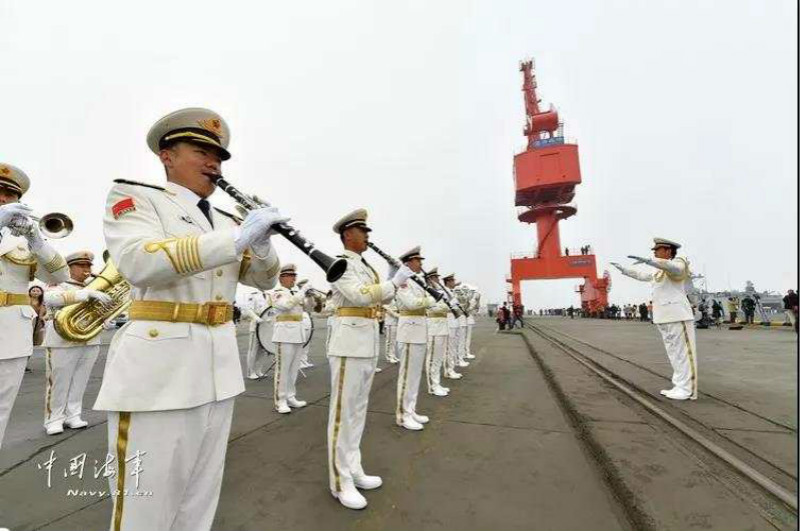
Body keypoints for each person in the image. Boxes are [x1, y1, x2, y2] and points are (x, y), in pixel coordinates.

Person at [93, 108, 284, 531]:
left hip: (217, 369)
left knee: (198, 503)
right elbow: (138, 262)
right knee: (144, 511)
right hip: (157, 373)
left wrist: (265, 242)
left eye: (218, 155)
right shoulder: (136, 197)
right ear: (167, 155)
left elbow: (263, 277)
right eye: (201, 150)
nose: (214, 162)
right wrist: (236, 239)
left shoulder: (226, 219)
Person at [326, 208, 412, 510]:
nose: (367, 236)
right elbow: (361, 296)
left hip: (364, 342)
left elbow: (380, 297)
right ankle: (340, 481)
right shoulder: (341, 264)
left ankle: (353, 467)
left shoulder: (365, 265)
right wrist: (393, 282)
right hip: (349, 344)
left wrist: (391, 281)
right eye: (363, 231)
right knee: (342, 415)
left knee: (358, 413)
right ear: (348, 234)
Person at [0, 163, 70, 449]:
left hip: (11, 336)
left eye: (8, 194)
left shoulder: (22, 239)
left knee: (1, 410)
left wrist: (36, 240)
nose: (3, 199)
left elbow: (60, 275)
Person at [612, 237, 698, 400]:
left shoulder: (680, 262)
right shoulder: (658, 271)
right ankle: (679, 385)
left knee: (684, 353)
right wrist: (624, 270)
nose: (654, 252)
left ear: (668, 251)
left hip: (677, 315)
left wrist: (651, 261)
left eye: (657, 250)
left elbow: (676, 269)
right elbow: (642, 275)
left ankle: (688, 390)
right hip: (663, 316)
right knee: (674, 353)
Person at [42, 251, 112, 435]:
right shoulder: (59, 283)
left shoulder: (93, 286)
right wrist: (85, 294)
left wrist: (105, 318)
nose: (86, 269)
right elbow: (49, 298)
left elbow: (98, 311)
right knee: (58, 382)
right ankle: (54, 418)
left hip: (90, 339)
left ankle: (73, 414)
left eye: (88, 265)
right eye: (81, 266)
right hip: (61, 341)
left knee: (80, 380)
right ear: (69, 268)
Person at [394, 246, 435, 431]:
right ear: (408, 262)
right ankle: (402, 415)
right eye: (418, 260)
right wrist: (431, 300)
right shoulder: (403, 281)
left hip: (419, 331)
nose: (421, 263)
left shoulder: (417, 281)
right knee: (407, 376)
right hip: (409, 332)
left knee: (415, 375)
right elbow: (411, 303)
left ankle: (410, 409)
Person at [270, 264, 312, 413]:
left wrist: (310, 297)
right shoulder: (277, 292)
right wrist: (302, 291)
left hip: (298, 334)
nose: (294, 278)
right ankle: (280, 400)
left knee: (294, 369)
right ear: (282, 278)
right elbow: (287, 305)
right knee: (283, 370)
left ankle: (290, 396)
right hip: (284, 334)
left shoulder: (296, 293)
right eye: (290, 276)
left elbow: (309, 309)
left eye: (294, 276)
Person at [424, 267, 451, 397]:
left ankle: (437, 383)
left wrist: (445, 307)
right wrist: (446, 307)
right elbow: (432, 308)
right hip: (434, 327)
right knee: (433, 358)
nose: (438, 280)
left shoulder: (439, 292)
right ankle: (432, 386)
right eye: (435, 278)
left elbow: (447, 306)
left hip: (442, 326)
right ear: (430, 279)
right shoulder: (427, 292)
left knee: (438, 358)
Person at [442, 273, 464, 379]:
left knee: (453, 347)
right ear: (448, 282)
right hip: (449, 321)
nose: (454, 282)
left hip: (454, 321)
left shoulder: (451, 292)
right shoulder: (444, 292)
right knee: (449, 348)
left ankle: (451, 368)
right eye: (453, 281)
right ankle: (449, 370)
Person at [241, 302, 264, 379]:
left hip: (265, 328)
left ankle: (258, 370)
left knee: (262, 351)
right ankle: (250, 372)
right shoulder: (254, 294)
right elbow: (248, 309)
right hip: (255, 327)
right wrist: (256, 318)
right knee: (253, 350)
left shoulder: (270, 294)